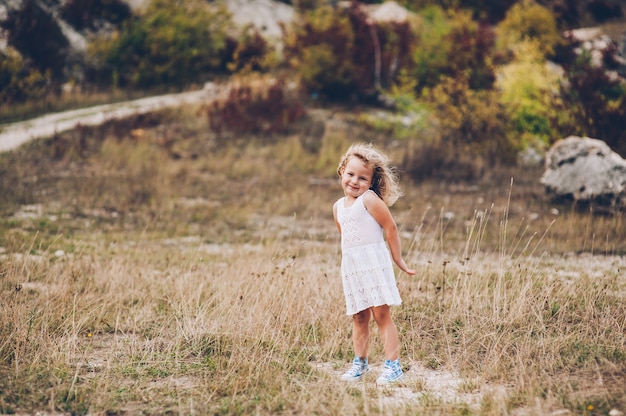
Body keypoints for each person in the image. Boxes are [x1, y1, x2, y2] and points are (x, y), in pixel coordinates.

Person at [333, 143, 416, 385]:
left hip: (374, 263)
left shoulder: (369, 199)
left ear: (371, 181)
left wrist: (397, 258)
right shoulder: (337, 207)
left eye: (362, 178)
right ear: (342, 171)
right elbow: (346, 238)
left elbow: (390, 227)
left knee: (381, 314)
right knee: (358, 316)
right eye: (350, 174)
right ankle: (360, 363)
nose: (354, 181)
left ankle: (393, 366)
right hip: (353, 267)